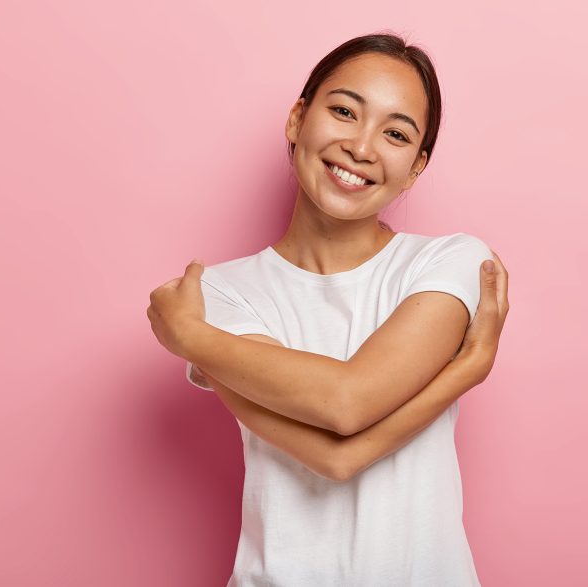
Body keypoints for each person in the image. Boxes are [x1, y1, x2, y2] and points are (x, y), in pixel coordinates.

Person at [147, 33, 510, 587]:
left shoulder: (450, 261)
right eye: (344, 111)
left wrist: (191, 339)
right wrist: (466, 369)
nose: (362, 148)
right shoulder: (218, 294)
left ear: (415, 167)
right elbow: (335, 454)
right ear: (297, 119)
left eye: (395, 133)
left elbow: (346, 402)